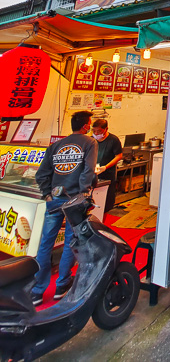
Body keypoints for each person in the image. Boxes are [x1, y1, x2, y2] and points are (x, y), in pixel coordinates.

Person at [32, 110, 97, 305]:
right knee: (71, 240)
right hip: (74, 200)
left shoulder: (55, 146)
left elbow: (41, 174)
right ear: (86, 125)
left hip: (55, 198)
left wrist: (47, 193)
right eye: (90, 124)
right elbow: (89, 170)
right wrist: (84, 192)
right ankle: (62, 284)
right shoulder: (89, 143)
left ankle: (37, 291)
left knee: (46, 243)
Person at [91, 118, 123, 212]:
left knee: (107, 198)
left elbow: (119, 156)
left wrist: (105, 167)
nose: (96, 134)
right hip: (93, 172)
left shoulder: (113, 140)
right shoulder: (91, 139)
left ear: (106, 129)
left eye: (99, 131)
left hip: (108, 172)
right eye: (94, 131)